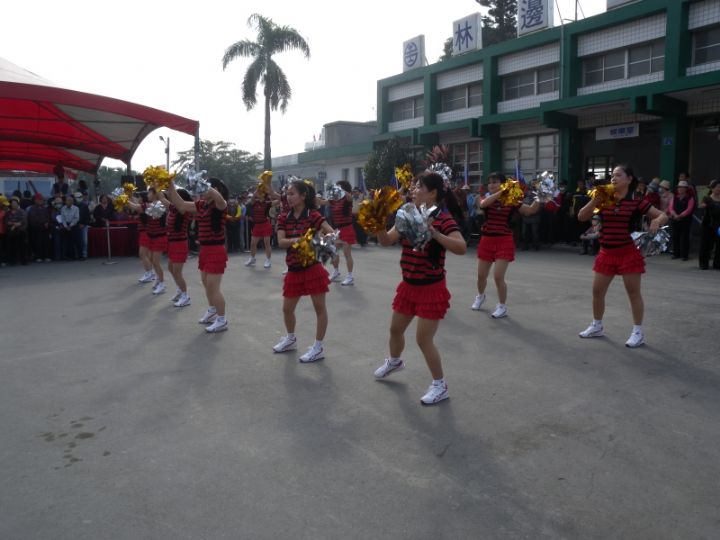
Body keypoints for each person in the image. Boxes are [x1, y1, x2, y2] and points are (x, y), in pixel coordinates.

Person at [372, 172, 466, 405]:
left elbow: (461, 247)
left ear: (432, 193)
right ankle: (395, 361)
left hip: (431, 287)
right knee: (395, 330)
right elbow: (386, 241)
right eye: (413, 186)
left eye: (418, 187)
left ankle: (440, 385)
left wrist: (435, 233)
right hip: (409, 285)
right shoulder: (406, 214)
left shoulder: (442, 218)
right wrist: (378, 223)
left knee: (423, 339)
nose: (413, 190)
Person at [577, 164, 668, 348]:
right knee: (597, 291)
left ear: (629, 179)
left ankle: (637, 332)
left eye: (618, 175)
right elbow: (581, 216)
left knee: (633, 293)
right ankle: (597, 325)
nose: (613, 178)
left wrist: (656, 221)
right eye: (612, 175)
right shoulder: (603, 199)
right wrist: (595, 201)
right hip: (606, 252)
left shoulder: (636, 200)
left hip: (628, 253)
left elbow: (663, 215)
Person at [272, 179, 336, 362]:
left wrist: (317, 242)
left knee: (319, 309)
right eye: (287, 194)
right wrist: (300, 240)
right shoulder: (283, 217)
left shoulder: (313, 215)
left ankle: (318, 347)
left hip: (312, 268)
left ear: (303, 196)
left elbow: (331, 232)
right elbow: (281, 242)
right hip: (293, 269)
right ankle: (291, 339)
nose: (288, 197)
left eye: (292, 193)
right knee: (287, 309)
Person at [471, 172, 541, 319]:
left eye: (495, 182)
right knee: (481, 276)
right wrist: (502, 192)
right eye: (490, 182)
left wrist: (540, 197)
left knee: (498, 276)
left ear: (503, 184)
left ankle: (502, 306)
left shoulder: (512, 201)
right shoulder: (483, 198)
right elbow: (483, 205)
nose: (491, 185)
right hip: (487, 240)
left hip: (504, 240)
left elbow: (530, 210)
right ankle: (480, 296)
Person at [167, 178, 230, 333]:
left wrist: (205, 185)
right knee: (206, 284)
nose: (203, 191)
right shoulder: (201, 205)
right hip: (204, 250)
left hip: (216, 250)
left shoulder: (221, 205)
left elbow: (218, 197)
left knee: (213, 287)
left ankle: (222, 319)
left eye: (207, 187)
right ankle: (212, 310)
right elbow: (181, 205)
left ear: (216, 189)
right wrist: (170, 185)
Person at [127, 188, 167, 294]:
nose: (148, 194)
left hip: (159, 236)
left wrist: (124, 199)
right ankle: (158, 279)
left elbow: (135, 206)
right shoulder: (147, 205)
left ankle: (162, 283)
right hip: (152, 236)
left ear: (155, 194)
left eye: (149, 192)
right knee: (153, 260)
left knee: (156, 262)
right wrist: (124, 199)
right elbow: (135, 205)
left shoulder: (160, 204)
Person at [159, 188, 193, 306]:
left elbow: (175, 202)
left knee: (177, 271)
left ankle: (185, 296)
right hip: (172, 243)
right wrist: (156, 183)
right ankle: (180, 288)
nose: (171, 196)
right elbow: (161, 197)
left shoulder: (184, 209)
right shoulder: (173, 208)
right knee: (171, 268)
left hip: (180, 244)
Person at [323, 180, 356, 286]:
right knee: (333, 252)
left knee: (347, 253)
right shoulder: (333, 200)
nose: (336, 189)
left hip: (347, 228)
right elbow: (321, 202)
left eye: (339, 187)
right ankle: (336, 271)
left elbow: (350, 197)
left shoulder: (347, 199)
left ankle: (350, 276)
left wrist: (340, 189)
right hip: (337, 230)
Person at [245, 184, 279, 268]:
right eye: (259, 193)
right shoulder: (254, 202)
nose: (259, 194)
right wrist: (259, 187)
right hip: (257, 226)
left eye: (261, 193)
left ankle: (268, 260)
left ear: (264, 195)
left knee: (267, 243)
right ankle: (252, 259)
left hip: (265, 225)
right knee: (253, 244)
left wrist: (271, 191)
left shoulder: (267, 203)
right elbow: (253, 196)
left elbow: (279, 200)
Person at [127, 192, 155, 283]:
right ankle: (151, 273)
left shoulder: (145, 206)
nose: (137, 199)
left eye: (139, 197)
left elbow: (132, 205)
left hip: (145, 232)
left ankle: (149, 273)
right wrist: (129, 195)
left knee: (142, 254)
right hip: (147, 232)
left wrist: (123, 199)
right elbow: (134, 202)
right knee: (147, 255)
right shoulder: (145, 205)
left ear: (142, 198)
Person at [668, 180, 695, 261]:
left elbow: (689, 209)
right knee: (675, 236)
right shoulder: (674, 197)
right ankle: (676, 254)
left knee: (684, 237)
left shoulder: (690, 198)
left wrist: (680, 215)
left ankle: (684, 255)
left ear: (686, 189)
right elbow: (671, 207)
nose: (679, 189)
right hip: (675, 219)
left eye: (682, 187)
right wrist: (675, 215)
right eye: (679, 187)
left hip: (685, 220)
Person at [698, 179, 720, 270]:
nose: (719, 189)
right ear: (712, 188)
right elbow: (701, 205)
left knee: (719, 244)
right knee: (705, 245)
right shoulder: (707, 198)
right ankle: (703, 264)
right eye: (718, 187)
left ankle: (717, 264)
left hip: (718, 225)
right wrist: (703, 205)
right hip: (708, 224)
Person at [27, 193, 51, 262]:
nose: (41, 201)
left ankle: (46, 256)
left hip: (45, 228)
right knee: (38, 243)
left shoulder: (44, 208)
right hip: (36, 228)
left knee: (46, 243)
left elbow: (48, 217)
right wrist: (43, 223)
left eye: (42, 199)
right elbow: (33, 219)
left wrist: (47, 222)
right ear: (35, 200)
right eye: (40, 199)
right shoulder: (32, 208)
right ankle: (38, 257)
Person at [4, 197, 28, 265]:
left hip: (20, 231)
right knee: (12, 247)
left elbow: (23, 220)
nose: (14, 204)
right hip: (11, 232)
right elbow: (6, 221)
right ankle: (13, 261)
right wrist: (13, 224)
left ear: (18, 204)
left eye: (15, 203)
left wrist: (17, 224)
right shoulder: (8, 213)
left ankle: (24, 260)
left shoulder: (22, 211)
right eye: (12, 203)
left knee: (22, 246)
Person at [60, 194, 82, 260]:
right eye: (67, 200)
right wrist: (66, 226)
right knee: (69, 242)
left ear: (72, 201)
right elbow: (63, 219)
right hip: (66, 225)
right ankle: (71, 256)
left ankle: (80, 256)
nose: (69, 202)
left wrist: (70, 225)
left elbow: (76, 218)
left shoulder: (76, 208)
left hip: (74, 225)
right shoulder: (63, 208)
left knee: (78, 241)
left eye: (70, 200)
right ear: (65, 201)